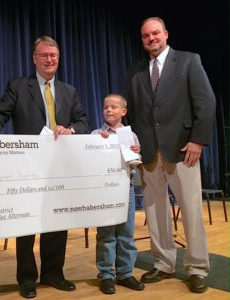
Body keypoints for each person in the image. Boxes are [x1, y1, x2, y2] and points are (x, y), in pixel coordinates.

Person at [0, 36, 90, 298]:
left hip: (59, 166)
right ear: (34, 58)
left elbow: (83, 120)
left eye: (54, 55)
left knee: (57, 221)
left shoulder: (69, 91)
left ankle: (53, 273)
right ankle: (27, 278)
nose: (50, 59)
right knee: (26, 225)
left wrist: (71, 129)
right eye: (44, 55)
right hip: (27, 167)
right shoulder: (18, 86)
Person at [126, 17, 216, 293]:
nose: (151, 38)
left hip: (182, 150)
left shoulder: (189, 61)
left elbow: (206, 101)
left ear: (166, 34)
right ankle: (164, 263)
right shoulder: (136, 71)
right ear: (142, 40)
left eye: (155, 33)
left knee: (190, 211)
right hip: (150, 154)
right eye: (145, 36)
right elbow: (138, 114)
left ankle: (197, 268)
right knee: (155, 212)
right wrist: (133, 143)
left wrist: (197, 141)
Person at [91, 94, 145, 294]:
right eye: (106, 107)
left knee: (126, 232)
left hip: (126, 186)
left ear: (123, 111)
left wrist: (136, 152)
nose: (109, 110)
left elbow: (137, 159)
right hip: (105, 189)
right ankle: (105, 274)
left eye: (114, 107)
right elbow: (90, 157)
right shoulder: (97, 133)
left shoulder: (130, 135)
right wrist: (98, 143)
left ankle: (125, 273)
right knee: (106, 234)